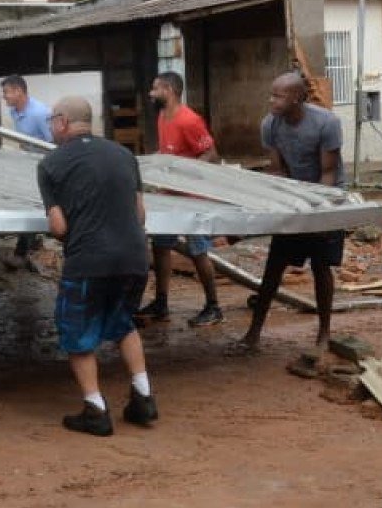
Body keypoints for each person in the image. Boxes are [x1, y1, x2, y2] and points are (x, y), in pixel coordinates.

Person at [36, 95, 158, 436]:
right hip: (134, 258)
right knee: (122, 322)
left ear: (61, 122)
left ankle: (95, 409)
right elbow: (140, 214)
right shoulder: (124, 155)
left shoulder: (51, 165)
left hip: (89, 260)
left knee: (77, 334)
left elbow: (59, 227)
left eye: (51, 121)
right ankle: (143, 396)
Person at [240, 72, 345, 352]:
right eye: (271, 94)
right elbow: (278, 169)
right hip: (296, 198)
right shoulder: (270, 125)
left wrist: (318, 216)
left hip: (326, 199)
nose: (271, 100)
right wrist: (279, 203)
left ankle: (324, 333)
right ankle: (254, 332)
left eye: (279, 96)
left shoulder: (326, 123)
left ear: (298, 97)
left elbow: (329, 173)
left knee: (321, 267)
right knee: (274, 265)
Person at [135, 71, 224, 329]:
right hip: (169, 195)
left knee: (198, 251)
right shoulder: (163, 116)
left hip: (192, 198)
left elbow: (211, 154)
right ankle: (161, 302)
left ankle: (213, 306)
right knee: (161, 246)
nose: (151, 94)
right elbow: (167, 152)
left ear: (170, 91)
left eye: (155, 89)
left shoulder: (189, 120)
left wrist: (185, 171)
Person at [0, 74, 53, 270]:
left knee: (34, 204)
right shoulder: (15, 111)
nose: (4, 97)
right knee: (27, 202)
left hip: (45, 165)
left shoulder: (39, 113)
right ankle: (31, 243)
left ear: (18, 91)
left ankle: (21, 253)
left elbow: (53, 142)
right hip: (29, 163)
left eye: (6, 92)